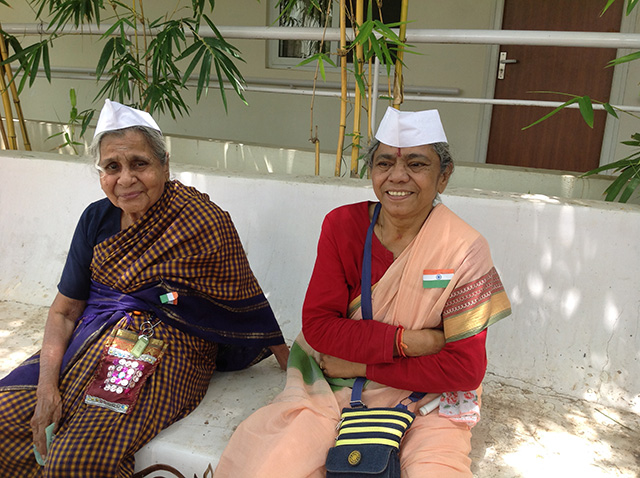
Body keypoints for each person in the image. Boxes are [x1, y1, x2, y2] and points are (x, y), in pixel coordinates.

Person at [214, 107, 512, 478]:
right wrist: (415, 342)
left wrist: (362, 365)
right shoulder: (343, 226)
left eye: (417, 164)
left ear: (444, 176)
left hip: (429, 394)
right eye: (384, 162)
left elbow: (464, 369)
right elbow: (320, 329)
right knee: (275, 464)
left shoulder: (464, 248)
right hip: (332, 379)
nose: (397, 176)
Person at [0, 99, 289, 477]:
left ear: (164, 164)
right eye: (112, 167)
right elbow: (65, 310)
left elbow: (244, 297)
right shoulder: (96, 219)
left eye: (139, 163)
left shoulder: (202, 219)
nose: (125, 179)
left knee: (75, 461)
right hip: (90, 340)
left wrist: (293, 369)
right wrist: (46, 388)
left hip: (169, 348)